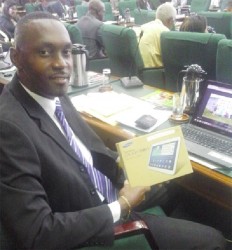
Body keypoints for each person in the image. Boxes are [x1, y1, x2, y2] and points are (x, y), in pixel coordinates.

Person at [0, 11, 227, 250]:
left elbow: (87, 150)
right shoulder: (9, 128)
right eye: (44, 52)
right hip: (94, 221)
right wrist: (122, 205)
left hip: (111, 190)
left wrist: (130, 164)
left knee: (176, 179)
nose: (61, 63)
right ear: (16, 57)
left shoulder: (49, 90)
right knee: (214, 241)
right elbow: (37, 234)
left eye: (66, 52)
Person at [139, 2, 176, 68]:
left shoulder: (143, 26)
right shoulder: (165, 33)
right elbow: (172, 60)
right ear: (170, 20)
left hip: (138, 72)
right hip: (155, 73)